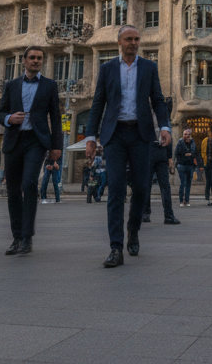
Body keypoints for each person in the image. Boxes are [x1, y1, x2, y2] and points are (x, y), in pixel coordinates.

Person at [84, 25, 170, 268]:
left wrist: (164, 127)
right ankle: (116, 247)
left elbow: (158, 100)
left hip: (141, 134)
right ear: (119, 42)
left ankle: (133, 230)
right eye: (128, 39)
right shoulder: (108, 68)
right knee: (117, 190)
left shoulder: (149, 67)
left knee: (142, 188)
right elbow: (98, 103)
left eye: (137, 39)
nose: (133, 43)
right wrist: (91, 136)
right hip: (115, 135)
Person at [0, 45, 63, 257]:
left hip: (37, 140)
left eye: (39, 58)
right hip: (14, 140)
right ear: (23, 60)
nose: (36, 61)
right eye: (32, 58)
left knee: (29, 183)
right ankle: (16, 237)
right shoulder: (12, 85)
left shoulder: (49, 86)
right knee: (13, 190)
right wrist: (9, 119)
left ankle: (27, 237)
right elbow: (0, 112)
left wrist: (56, 146)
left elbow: (56, 117)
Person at [142, 135, 179, 224]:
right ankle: (168, 215)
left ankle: (146, 214)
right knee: (164, 186)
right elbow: (169, 138)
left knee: (148, 186)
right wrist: (169, 156)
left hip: (151, 153)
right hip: (158, 154)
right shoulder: (163, 122)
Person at [174, 128, 197, 207]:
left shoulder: (193, 143)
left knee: (188, 184)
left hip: (190, 165)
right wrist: (186, 155)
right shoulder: (180, 143)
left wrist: (189, 155)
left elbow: (194, 153)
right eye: (185, 134)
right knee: (182, 183)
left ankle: (186, 200)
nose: (187, 136)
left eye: (188, 134)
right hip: (182, 165)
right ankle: (181, 201)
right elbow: (177, 153)